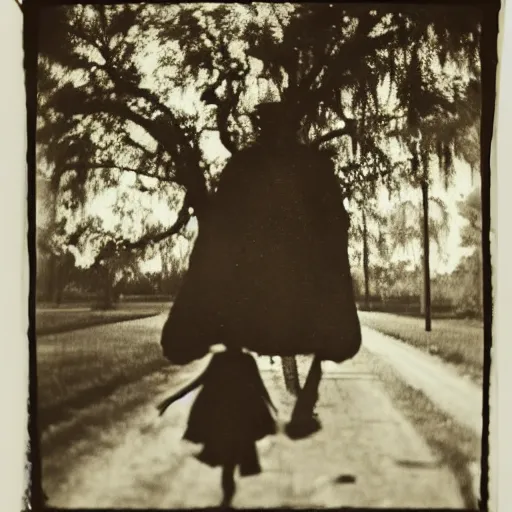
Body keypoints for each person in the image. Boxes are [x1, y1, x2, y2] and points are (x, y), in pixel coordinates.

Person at [161, 100, 361, 433]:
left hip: (254, 284)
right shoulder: (312, 165)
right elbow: (335, 222)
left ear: (261, 127)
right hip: (296, 281)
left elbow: (221, 225)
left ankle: (288, 399)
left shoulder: (245, 164)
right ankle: (302, 397)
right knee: (327, 336)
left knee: (240, 327)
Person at [157, 347, 277, 507]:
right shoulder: (239, 360)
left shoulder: (227, 359)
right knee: (230, 464)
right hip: (233, 421)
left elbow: (257, 385)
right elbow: (258, 385)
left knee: (229, 464)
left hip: (232, 422)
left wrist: (271, 407)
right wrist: (171, 399)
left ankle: (227, 501)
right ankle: (227, 501)